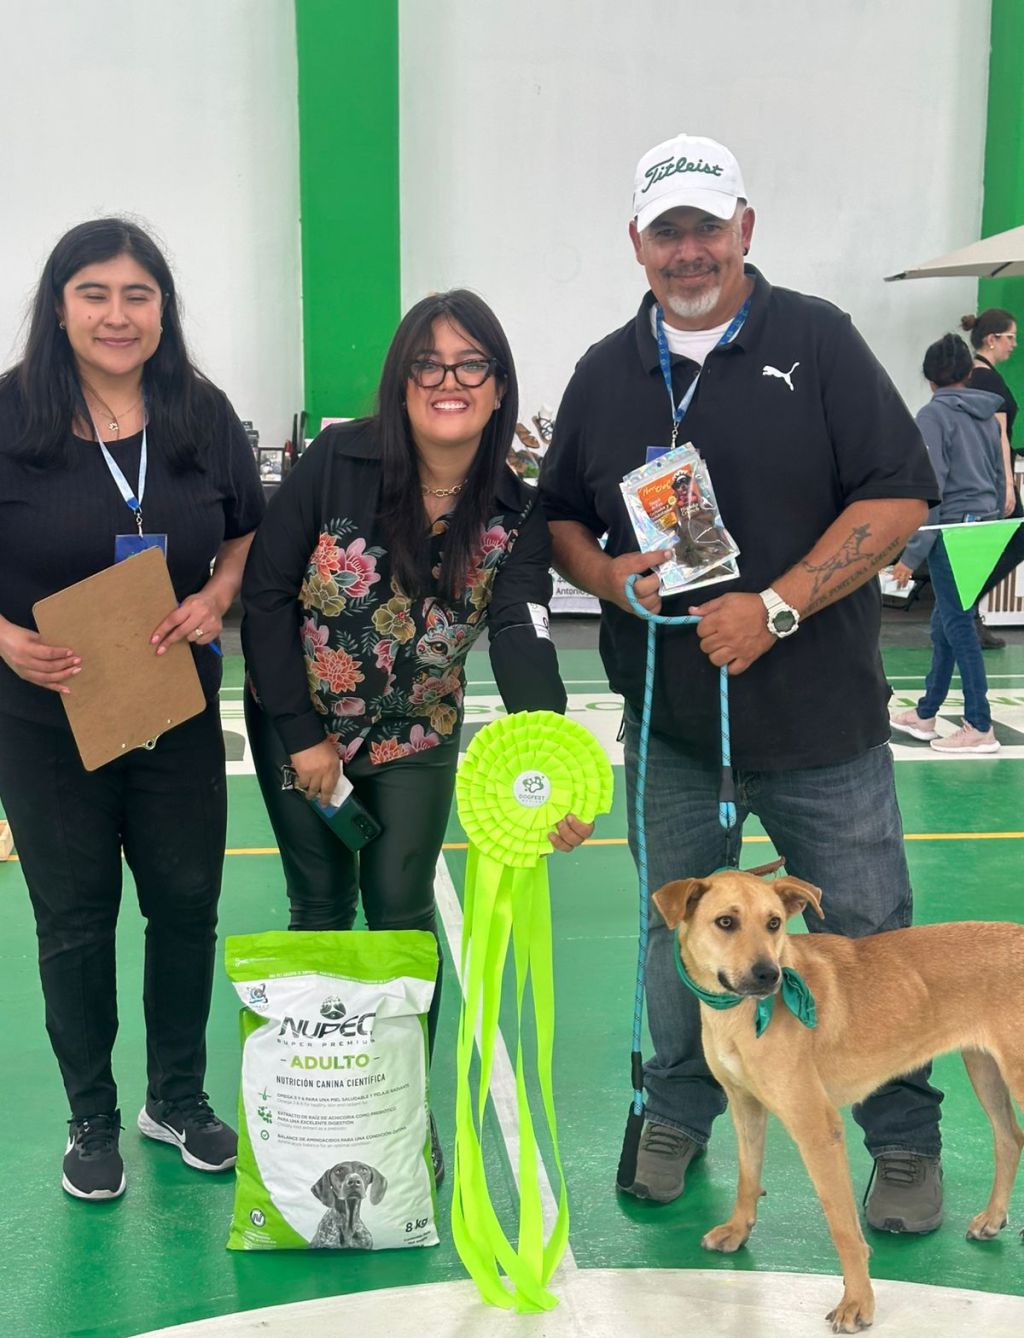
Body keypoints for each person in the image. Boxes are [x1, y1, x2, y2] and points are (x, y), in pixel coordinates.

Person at [538, 132, 945, 1233]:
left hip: (824, 731)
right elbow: (559, 519)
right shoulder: (605, 371)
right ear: (636, 242)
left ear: (745, 229)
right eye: (667, 231)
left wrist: (776, 607)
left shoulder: (817, 341)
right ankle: (675, 1111)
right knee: (680, 936)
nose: (689, 250)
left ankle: (903, 1136)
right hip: (673, 730)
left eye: (707, 228)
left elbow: (898, 498)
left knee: (871, 935)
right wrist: (609, 578)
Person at [241, 289, 592, 1185]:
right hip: (301, 724)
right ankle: (322, 1110)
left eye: (471, 363)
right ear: (402, 381)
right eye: (428, 364)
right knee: (321, 907)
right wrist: (302, 735)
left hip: (418, 731)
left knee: (401, 914)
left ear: (499, 385)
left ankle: (397, 1109)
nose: (449, 380)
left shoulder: (517, 510)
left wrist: (550, 761)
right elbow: (267, 594)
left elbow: (521, 632)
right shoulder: (338, 460)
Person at [0, 219, 264, 1201]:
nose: (117, 315)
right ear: (59, 306)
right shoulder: (10, 415)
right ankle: (91, 1116)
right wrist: (3, 637)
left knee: (186, 906)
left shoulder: (200, 411)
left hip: (172, 706)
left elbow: (245, 530)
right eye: (95, 293)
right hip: (46, 717)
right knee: (74, 920)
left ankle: (177, 1099)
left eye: (137, 295)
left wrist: (217, 594)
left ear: (162, 309)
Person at [888, 335, 1003, 753]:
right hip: (984, 527)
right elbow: (998, 477)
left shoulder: (933, 415)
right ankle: (926, 713)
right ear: (969, 372)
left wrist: (910, 555)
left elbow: (930, 487)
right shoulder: (987, 415)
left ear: (929, 377)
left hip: (952, 531)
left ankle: (979, 725)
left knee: (958, 625)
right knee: (947, 622)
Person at [961, 309, 1020, 649]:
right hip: (994, 477)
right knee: (1015, 539)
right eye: (1010, 337)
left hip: (986, 475)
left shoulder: (977, 375)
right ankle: (963, 609)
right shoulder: (986, 379)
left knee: (992, 545)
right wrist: (1008, 484)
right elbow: (998, 434)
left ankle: (966, 612)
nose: (1014, 344)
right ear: (991, 339)